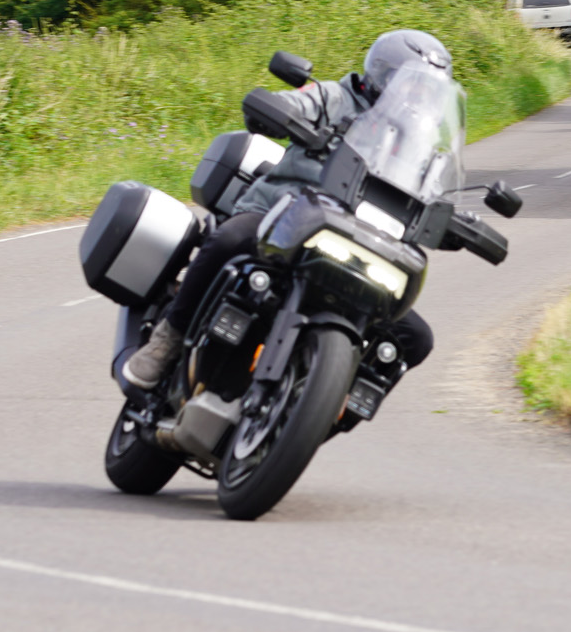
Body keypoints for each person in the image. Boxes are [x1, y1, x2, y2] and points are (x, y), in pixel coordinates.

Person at [121, 29, 451, 390]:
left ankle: (328, 400)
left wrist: (453, 219)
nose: (415, 96)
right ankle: (168, 337)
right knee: (231, 238)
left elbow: (430, 191)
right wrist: (282, 113)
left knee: (415, 338)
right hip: (281, 214)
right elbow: (293, 104)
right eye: (409, 84)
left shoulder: (420, 141)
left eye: (425, 90)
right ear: (382, 74)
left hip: (360, 245)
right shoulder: (334, 96)